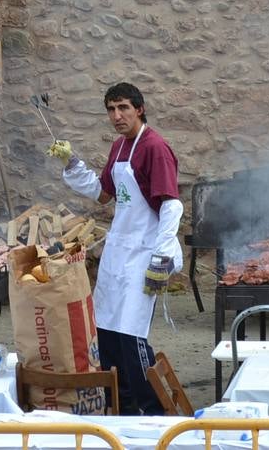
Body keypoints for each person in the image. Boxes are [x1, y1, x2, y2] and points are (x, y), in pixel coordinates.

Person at [55, 82, 181, 415]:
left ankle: (153, 412)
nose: (117, 115)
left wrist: (162, 255)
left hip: (146, 252)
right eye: (111, 109)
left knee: (132, 334)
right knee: (107, 332)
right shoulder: (119, 148)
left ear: (139, 108)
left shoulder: (154, 147)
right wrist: (72, 164)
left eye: (123, 107)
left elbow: (171, 205)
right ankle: (120, 408)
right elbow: (104, 194)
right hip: (119, 250)